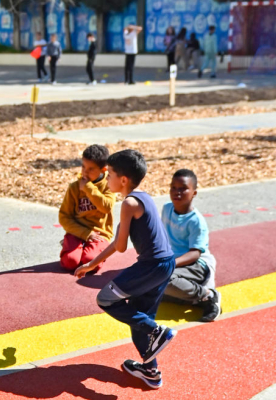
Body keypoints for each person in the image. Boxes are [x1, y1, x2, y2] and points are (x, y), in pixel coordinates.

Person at [75, 149, 177, 390]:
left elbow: (121, 246)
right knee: (139, 318)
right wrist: (91, 264)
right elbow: (118, 240)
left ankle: (157, 331)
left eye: (109, 173)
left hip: (151, 265)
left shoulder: (128, 203)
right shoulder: (143, 197)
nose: (106, 178)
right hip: (165, 264)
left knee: (106, 299)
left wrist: (95, 259)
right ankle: (150, 371)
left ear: (123, 179)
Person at [161, 169, 221, 322]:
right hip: (176, 263)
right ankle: (193, 300)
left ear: (194, 193)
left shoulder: (196, 221)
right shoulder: (167, 209)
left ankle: (208, 295)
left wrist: (171, 264)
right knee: (143, 281)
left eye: (183, 188)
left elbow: (195, 253)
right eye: (173, 187)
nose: (177, 192)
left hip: (197, 264)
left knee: (165, 278)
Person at [58, 145, 116, 273]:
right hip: (78, 231)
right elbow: (64, 217)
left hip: (100, 233)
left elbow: (106, 207)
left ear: (103, 169)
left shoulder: (109, 185)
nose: (85, 172)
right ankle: (71, 246)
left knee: (90, 262)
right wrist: (85, 234)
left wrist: (88, 188)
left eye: (90, 169)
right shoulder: (74, 187)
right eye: (83, 166)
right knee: (69, 262)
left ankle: (97, 250)